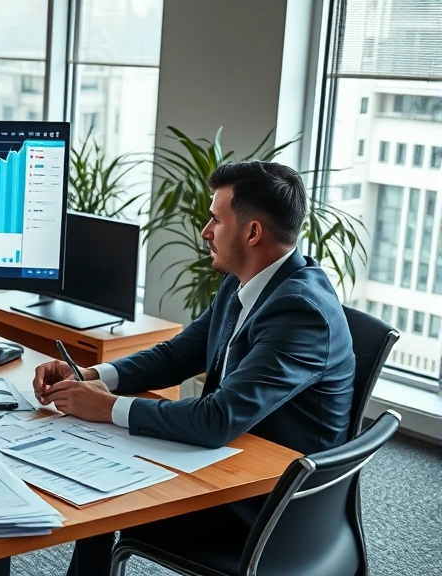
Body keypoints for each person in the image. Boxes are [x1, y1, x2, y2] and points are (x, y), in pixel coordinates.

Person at [33, 160, 355, 575]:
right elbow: (176, 355)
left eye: (215, 220)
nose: (205, 231)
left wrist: (107, 407)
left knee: (105, 488)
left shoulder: (300, 312)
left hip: (267, 504)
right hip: (236, 459)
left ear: (252, 232)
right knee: (95, 466)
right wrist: (92, 377)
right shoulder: (246, 281)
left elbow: (216, 420)